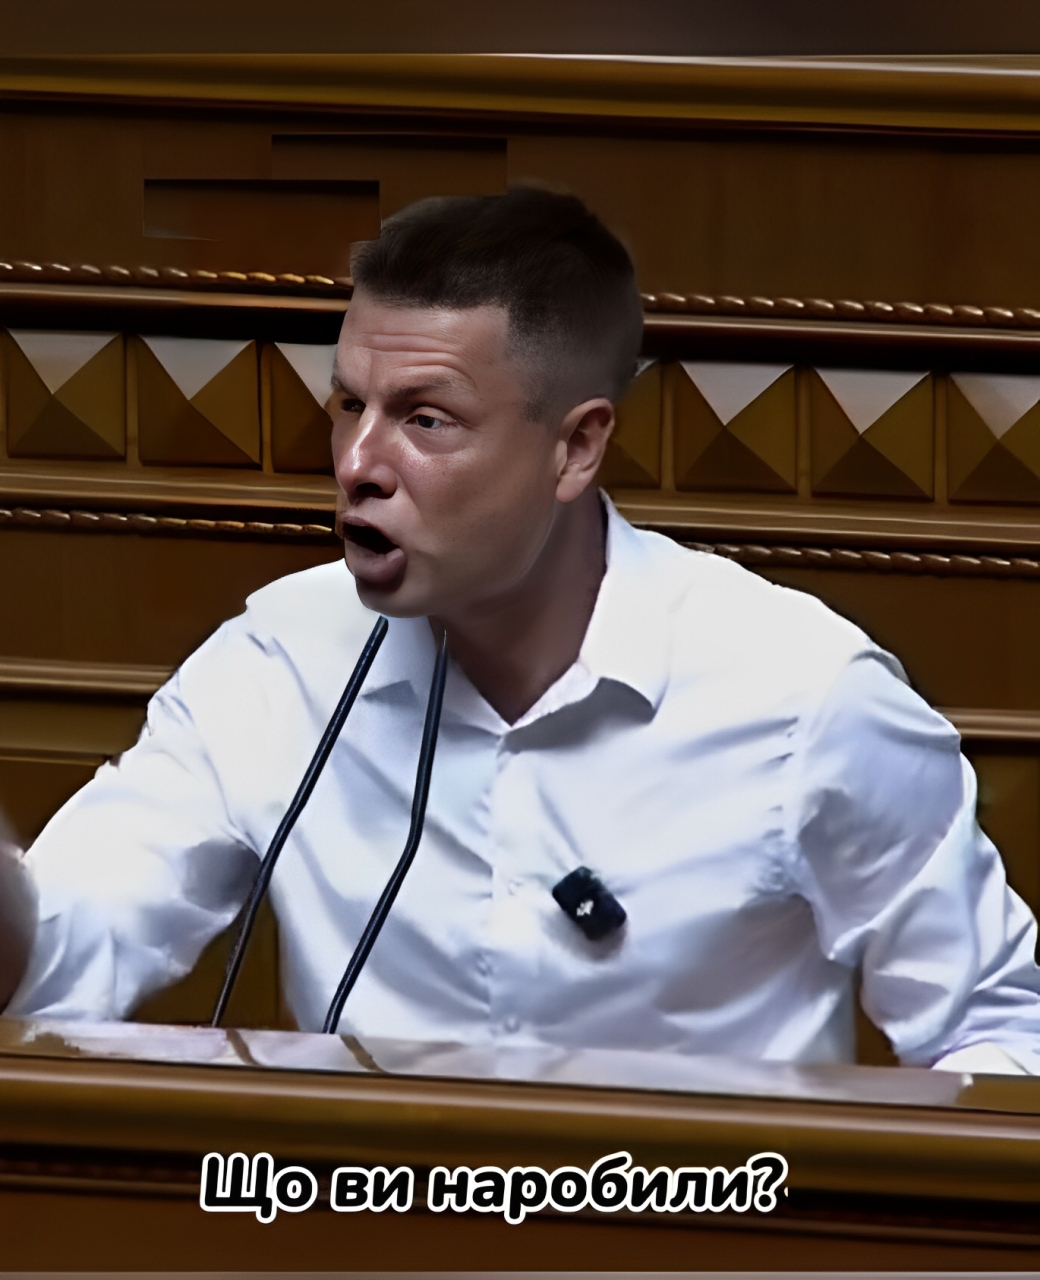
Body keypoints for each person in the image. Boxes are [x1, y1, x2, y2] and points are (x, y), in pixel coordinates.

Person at [1, 188, 1039, 1074]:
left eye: (425, 418)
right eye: (349, 405)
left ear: (574, 447)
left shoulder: (805, 695)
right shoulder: (278, 663)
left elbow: (998, 1035)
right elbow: (60, 954)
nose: (357, 463)